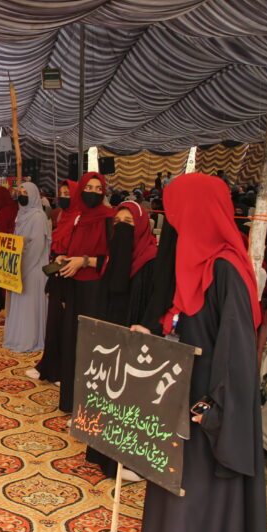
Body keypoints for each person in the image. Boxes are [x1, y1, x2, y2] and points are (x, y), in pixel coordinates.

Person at [106, 173, 267, 532]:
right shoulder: (194, 263)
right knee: (168, 480)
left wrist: (213, 407)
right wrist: (154, 335)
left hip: (208, 404)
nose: (172, 223)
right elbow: (185, 323)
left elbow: (235, 352)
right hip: (181, 393)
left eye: (177, 213)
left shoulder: (226, 269)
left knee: (196, 488)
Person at [85, 200, 158, 479]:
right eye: (117, 223)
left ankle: (128, 460)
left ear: (141, 226)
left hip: (135, 337)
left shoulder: (151, 260)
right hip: (110, 336)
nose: (122, 228)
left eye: (129, 223)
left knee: (131, 397)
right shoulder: (113, 256)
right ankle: (100, 450)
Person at [53, 172, 114, 414]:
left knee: (91, 347)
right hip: (73, 285)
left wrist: (85, 261)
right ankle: (71, 401)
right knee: (72, 343)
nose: (93, 192)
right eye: (88, 187)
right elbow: (74, 248)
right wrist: (65, 257)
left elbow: (113, 259)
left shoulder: (109, 218)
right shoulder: (79, 217)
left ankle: (89, 407)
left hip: (95, 290)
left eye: (98, 189)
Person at [32, 179, 80, 383]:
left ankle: (61, 371)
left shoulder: (80, 218)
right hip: (57, 274)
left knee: (63, 326)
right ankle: (48, 366)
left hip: (70, 277)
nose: (64, 197)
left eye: (69, 194)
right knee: (53, 324)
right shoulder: (63, 216)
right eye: (62, 194)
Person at [3, 182, 50, 353]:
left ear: (34, 196)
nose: (22, 196)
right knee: (20, 305)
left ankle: (29, 340)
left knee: (29, 306)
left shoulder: (38, 216)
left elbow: (36, 247)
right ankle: (18, 337)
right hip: (20, 265)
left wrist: (21, 269)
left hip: (32, 267)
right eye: (20, 192)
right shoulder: (21, 213)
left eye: (26, 193)